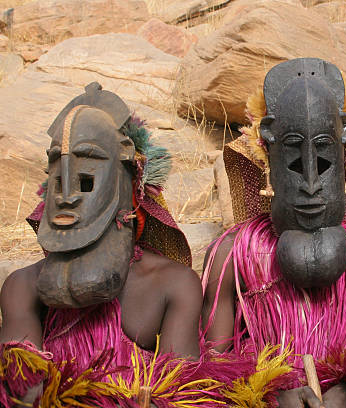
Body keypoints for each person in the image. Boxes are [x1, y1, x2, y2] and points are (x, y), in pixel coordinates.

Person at [201, 58, 346, 408]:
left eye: (325, 162)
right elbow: (210, 371)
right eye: (295, 163)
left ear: (344, 159)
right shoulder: (233, 256)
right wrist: (269, 393)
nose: (311, 185)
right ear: (269, 157)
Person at [0, 83, 220, 407]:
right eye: (59, 181)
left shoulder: (172, 284)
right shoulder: (23, 285)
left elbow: (183, 394)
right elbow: (21, 390)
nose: (67, 197)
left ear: (130, 187)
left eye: (86, 180)